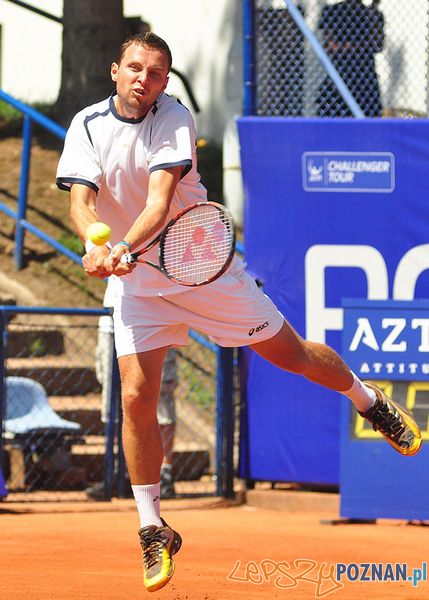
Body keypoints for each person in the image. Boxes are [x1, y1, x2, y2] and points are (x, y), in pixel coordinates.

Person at [56, 32, 421, 593]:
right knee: (135, 395)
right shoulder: (85, 125)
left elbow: (158, 202)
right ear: (114, 70)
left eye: (155, 73)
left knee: (293, 356)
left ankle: (367, 400)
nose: (143, 80)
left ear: (164, 82)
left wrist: (122, 248)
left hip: (197, 260)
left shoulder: (173, 118)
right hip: (138, 286)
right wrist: (94, 247)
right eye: (134, 68)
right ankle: (152, 526)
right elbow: (81, 204)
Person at [91, 277, 178, 500]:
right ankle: (121, 471)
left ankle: (164, 474)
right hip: (112, 317)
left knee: (160, 396)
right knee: (114, 399)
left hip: (156, 316)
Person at [317, 0, 384, 117]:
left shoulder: (371, 13)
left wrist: (373, 10)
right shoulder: (332, 11)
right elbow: (330, 46)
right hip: (340, 75)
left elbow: (378, 45)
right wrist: (361, 47)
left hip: (365, 79)